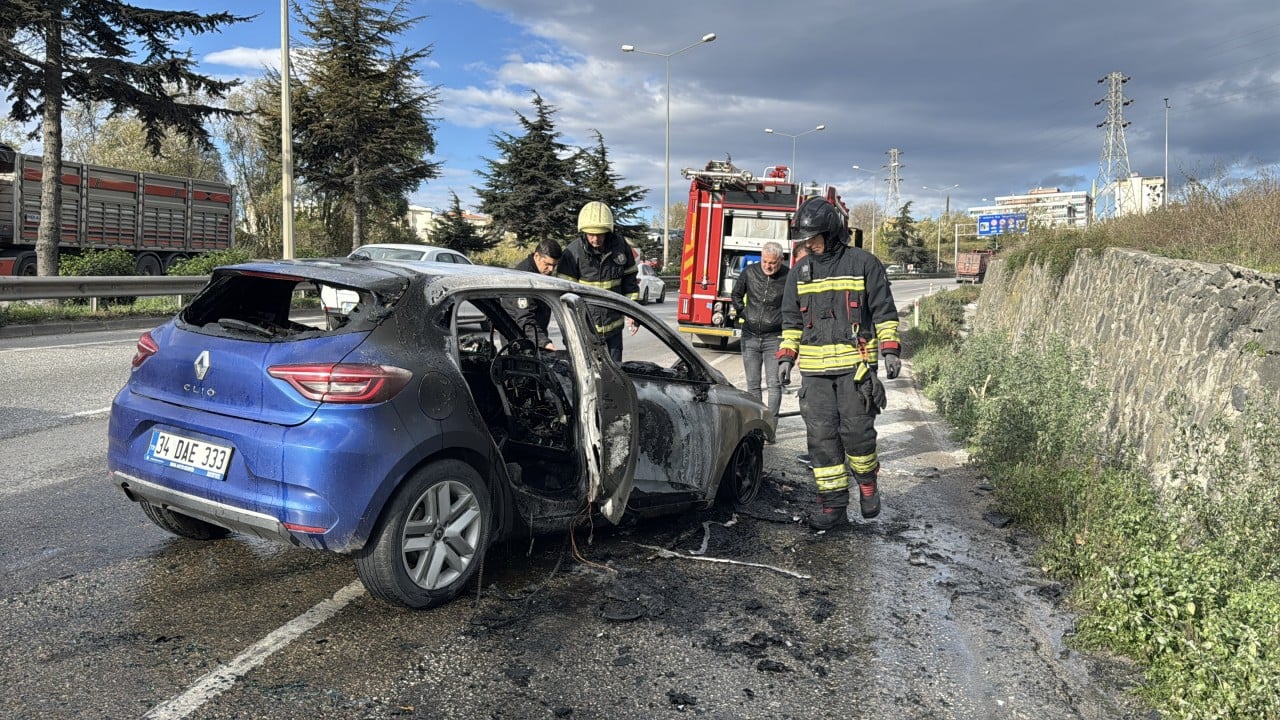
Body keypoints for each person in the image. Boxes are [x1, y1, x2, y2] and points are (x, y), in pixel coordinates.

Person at [777, 196, 902, 530]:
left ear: (831, 233)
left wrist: (890, 350)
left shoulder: (864, 263)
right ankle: (833, 508)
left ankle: (866, 482)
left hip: (855, 371)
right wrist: (787, 357)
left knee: (858, 435)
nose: (807, 243)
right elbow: (791, 323)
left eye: (813, 237)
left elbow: (884, 312)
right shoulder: (799, 273)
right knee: (821, 441)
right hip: (816, 375)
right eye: (804, 238)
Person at [557, 201, 639, 361]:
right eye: (591, 234)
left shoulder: (620, 247)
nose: (595, 239)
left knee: (615, 372)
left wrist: (633, 314)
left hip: (614, 330)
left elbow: (630, 281)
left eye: (600, 234)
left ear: (608, 231)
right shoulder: (573, 253)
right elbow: (563, 294)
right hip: (586, 330)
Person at [731, 241, 789, 423]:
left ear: (780, 260)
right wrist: (745, 313)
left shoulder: (789, 276)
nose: (768, 266)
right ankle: (756, 426)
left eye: (772, 262)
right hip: (750, 336)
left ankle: (770, 427)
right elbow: (736, 295)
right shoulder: (750, 272)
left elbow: (794, 304)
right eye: (765, 261)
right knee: (753, 385)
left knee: (774, 384)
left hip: (774, 337)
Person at [504, 239, 561, 350]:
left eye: (554, 265)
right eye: (548, 264)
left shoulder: (538, 274)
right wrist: (544, 343)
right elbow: (524, 319)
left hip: (534, 335)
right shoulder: (524, 279)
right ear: (536, 256)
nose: (551, 269)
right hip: (517, 338)